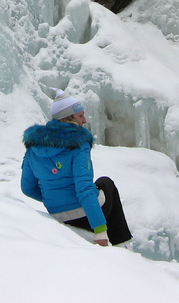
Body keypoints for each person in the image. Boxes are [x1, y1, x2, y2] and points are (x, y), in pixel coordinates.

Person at [21, 89, 132, 246]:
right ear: (68, 118)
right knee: (106, 184)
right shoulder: (78, 143)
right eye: (80, 115)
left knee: (96, 187)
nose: (84, 120)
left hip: (57, 214)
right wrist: (100, 231)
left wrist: (55, 199)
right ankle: (122, 244)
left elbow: (27, 188)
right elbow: (84, 189)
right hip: (84, 217)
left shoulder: (33, 147)